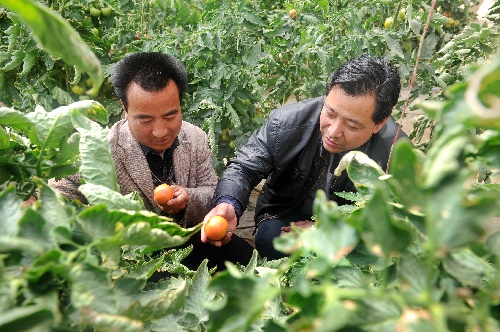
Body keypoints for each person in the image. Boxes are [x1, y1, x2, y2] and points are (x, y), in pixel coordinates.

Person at [49, 52, 253, 274]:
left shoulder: (195, 138)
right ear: (125, 109)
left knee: (247, 259)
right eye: (145, 120)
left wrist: (187, 198)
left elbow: (212, 190)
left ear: (180, 105)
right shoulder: (103, 150)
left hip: (188, 240)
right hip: (135, 257)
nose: (160, 132)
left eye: (169, 117)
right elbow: (59, 190)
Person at [201, 54, 409, 260]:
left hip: (350, 227)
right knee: (271, 239)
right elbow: (244, 167)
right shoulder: (287, 122)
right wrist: (228, 203)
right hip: (288, 212)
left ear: (379, 123)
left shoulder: (395, 152)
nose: (334, 131)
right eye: (330, 113)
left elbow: (397, 217)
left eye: (352, 125)